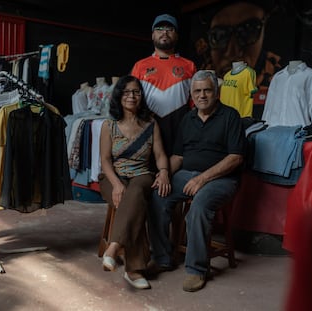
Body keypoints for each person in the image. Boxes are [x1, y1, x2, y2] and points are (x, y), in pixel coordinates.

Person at [148, 70, 246, 292]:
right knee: (157, 195)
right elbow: (179, 156)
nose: (202, 95)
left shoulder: (230, 117)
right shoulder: (188, 118)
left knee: (199, 205)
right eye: (197, 91)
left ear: (216, 92)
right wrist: (164, 172)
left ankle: (197, 269)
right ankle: (162, 257)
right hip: (187, 174)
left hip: (221, 178)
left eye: (207, 90)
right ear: (192, 95)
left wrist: (203, 178)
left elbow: (235, 157)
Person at [98, 75, 171, 289]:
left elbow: (159, 155)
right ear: (119, 95)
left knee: (137, 191)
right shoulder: (109, 125)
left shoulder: (150, 124)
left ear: (141, 97)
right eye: (127, 92)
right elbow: (105, 160)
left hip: (142, 176)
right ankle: (134, 269)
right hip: (113, 177)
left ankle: (113, 247)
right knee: (134, 199)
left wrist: (164, 171)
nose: (132, 96)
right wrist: (117, 184)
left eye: (136, 92)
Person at [131, 13, 197, 157]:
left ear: (177, 35)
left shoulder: (189, 65)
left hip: (180, 128)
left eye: (170, 29)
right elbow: (131, 99)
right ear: (153, 35)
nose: (164, 32)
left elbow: (195, 101)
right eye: (160, 29)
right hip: (147, 127)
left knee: (176, 171)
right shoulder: (140, 66)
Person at [194, 0, 282, 91]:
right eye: (219, 36)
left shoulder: (280, 82)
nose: (231, 52)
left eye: (247, 33)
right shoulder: (202, 78)